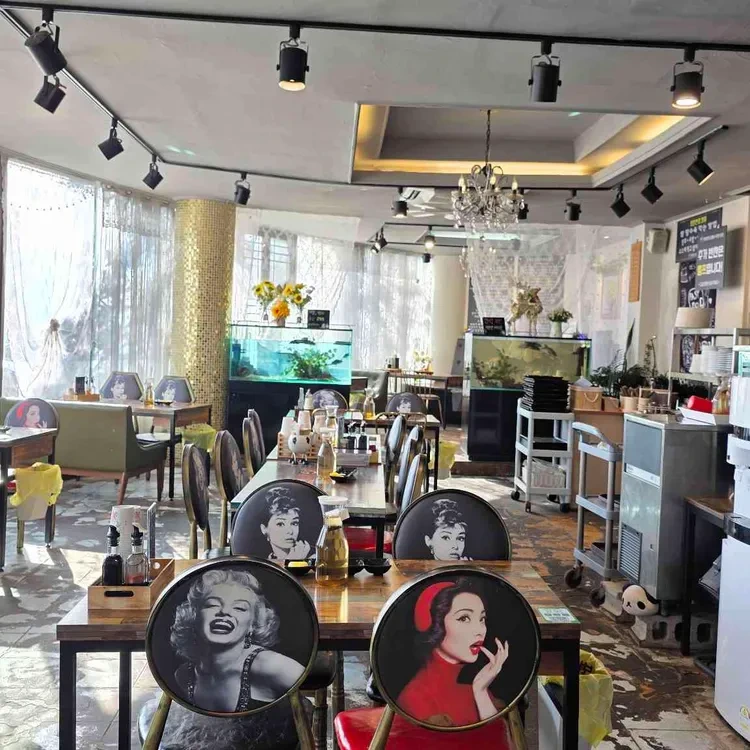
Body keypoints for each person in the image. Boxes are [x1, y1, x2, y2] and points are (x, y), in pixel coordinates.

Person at [170, 567, 305, 713]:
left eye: (240, 608)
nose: (224, 612)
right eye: (212, 604)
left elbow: (309, 706)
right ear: (193, 617)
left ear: (253, 624)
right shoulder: (184, 675)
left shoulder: (273, 667)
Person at [398, 578, 511, 736]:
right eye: (464, 618)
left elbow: (501, 740)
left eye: (482, 619)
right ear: (436, 625)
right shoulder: (416, 697)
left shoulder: (475, 686)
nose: (480, 630)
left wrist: (480, 690)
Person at [259, 488, 312, 561]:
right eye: (280, 524)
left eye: (294, 523)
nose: (290, 531)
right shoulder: (261, 562)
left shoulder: (315, 559)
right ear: (264, 529)